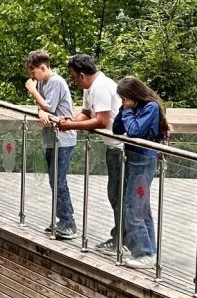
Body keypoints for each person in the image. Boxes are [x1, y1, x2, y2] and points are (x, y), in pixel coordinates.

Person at [50, 54, 122, 253]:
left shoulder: (100, 87)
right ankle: (119, 237)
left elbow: (101, 120)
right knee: (114, 193)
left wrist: (71, 126)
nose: (73, 82)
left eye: (74, 77)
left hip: (121, 148)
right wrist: (70, 120)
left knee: (118, 195)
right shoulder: (90, 88)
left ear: (82, 75)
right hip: (112, 146)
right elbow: (87, 113)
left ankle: (121, 239)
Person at [112, 77, 170, 269]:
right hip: (132, 158)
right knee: (140, 207)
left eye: (125, 97)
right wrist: (123, 110)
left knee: (133, 207)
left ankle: (144, 252)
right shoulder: (131, 108)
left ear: (134, 94)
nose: (124, 101)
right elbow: (117, 129)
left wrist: (128, 111)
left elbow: (135, 131)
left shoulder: (150, 107)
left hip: (144, 160)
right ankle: (150, 251)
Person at [25, 49, 78, 240]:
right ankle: (61, 219)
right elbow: (43, 108)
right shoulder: (42, 82)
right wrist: (40, 111)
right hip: (50, 138)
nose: (32, 78)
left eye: (33, 72)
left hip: (63, 138)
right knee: (54, 180)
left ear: (42, 68)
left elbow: (49, 107)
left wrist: (33, 91)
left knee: (58, 180)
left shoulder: (56, 81)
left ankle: (68, 222)